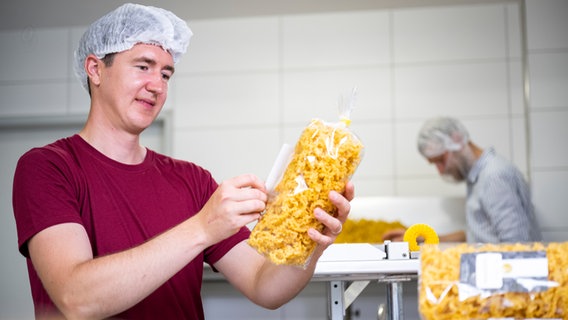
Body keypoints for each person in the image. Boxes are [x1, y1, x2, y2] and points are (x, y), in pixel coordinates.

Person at [12, 4, 354, 319]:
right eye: (143, 66)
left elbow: (264, 286)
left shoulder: (192, 180)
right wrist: (203, 227)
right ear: (95, 69)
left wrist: (312, 241)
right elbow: (76, 298)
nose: (156, 85)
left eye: (166, 74)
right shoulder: (47, 168)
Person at [383, 116, 541, 244]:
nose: (441, 170)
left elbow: (517, 245)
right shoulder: (479, 177)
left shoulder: (494, 177)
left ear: (457, 141)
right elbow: (481, 235)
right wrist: (423, 238)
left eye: (441, 160)